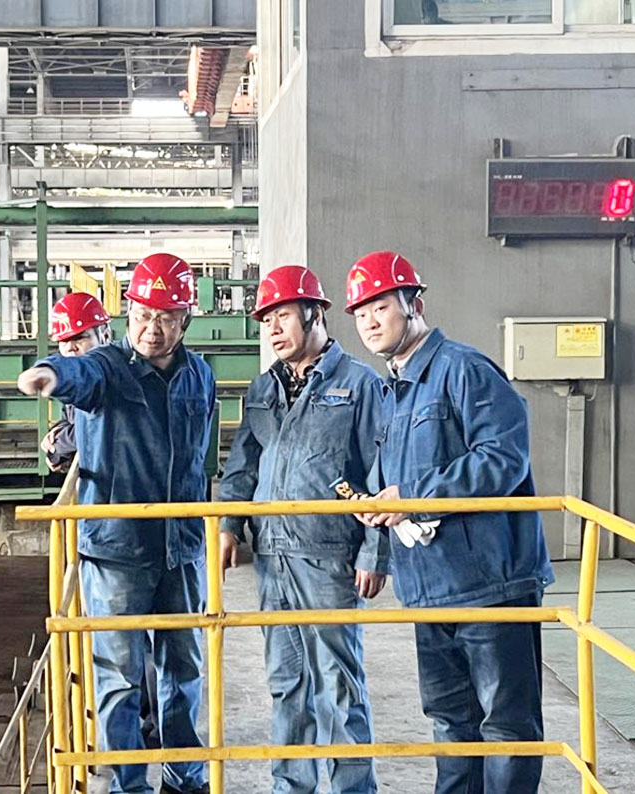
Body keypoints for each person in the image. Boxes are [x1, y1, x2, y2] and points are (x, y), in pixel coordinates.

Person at [345, 250, 555, 794]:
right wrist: (378, 504)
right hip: (431, 586)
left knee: (505, 726)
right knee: (450, 722)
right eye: (361, 313)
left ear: (414, 305)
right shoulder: (393, 390)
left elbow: (504, 459)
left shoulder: (464, 369)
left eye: (380, 307)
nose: (369, 322)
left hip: (491, 585)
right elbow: (396, 475)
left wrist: (411, 496)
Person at [18, 253, 215, 794]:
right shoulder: (106, 367)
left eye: (166, 317)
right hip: (116, 552)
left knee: (184, 673)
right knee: (119, 679)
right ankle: (130, 786)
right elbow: (75, 372)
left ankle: (185, 779)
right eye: (144, 315)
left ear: (185, 320)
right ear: (128, 313)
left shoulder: (200, 376)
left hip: (182, 550)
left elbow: (201, 459)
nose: (152, 329)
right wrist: (49, 374)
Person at [219, 265, 387, 794]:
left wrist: (374, 552)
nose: (272, 328)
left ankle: (352, 789)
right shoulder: (263, 389)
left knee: (338, 682)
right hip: (272, 555)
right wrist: (228, 524)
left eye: (283, 315)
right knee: (285, 681)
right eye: (266, 319)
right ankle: (291, 786)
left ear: (314, 314)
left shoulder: (359, 384)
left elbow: (380, 473)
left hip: (328, 553)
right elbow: (242, 465)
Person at [41, 292, 112, 471]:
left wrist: (58, 445)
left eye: (80, 338)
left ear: (105, 337)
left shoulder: (114, 375)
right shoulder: (76, 383)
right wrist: (57, 434)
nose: (70, 347)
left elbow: (96, 429)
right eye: (63, 340)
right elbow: (71, 422)